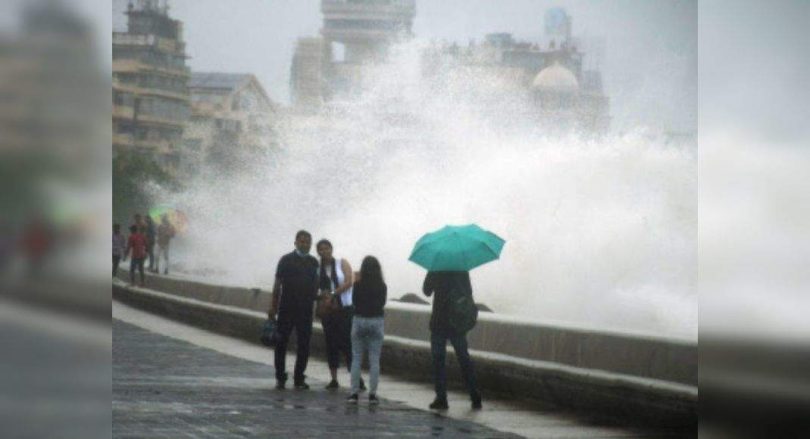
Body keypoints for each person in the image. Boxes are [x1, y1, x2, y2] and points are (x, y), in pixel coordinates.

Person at [423, 271, 482, 410]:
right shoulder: (461, 269)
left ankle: (441, 398)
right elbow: (468, 292)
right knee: (464, 358)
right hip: (457, 321)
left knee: (439, 361)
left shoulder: (436, 267)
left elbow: (426, 291)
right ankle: (474, 394)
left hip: (439, 322)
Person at [268, 230, 319, 390]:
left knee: (304, 345)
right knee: (281, 343)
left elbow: (316, 286)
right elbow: (277, 285)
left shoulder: (314, 262)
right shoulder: (286, 260)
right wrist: (273, 306)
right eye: (302, 241)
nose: (305, 244)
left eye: (308, 242)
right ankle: (280, 377)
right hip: (286, 308)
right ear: (295, 242)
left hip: (306, 310)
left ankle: (299, 378)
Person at [315, 239, 360, 390]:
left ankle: (356, 377)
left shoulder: (342, 263)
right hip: (328, 310)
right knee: (331, 343)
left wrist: (333, 293)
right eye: (321, 249)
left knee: (348, 343)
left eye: (326, 248)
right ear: (318, 252)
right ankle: (334, 379)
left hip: (345, 308)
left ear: (331, 249)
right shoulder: (318, 268)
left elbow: (349, 281)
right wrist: (323, 297)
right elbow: (315, 286)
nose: (324, 251)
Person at [346, 256, 387, 405]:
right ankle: (372, 395)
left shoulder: (358, 284)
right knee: (374, 360)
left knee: (356, 358)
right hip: (376, 321)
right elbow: (382, 303)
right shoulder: (382, 286)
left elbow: (354, 302)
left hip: (360, 320)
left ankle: (354, 394)